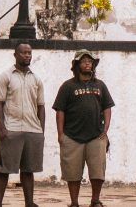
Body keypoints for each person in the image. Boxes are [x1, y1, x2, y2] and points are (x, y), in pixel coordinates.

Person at [53, 49, 114, 207]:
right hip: (72, 136)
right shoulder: (67, 86)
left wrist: (105, 130)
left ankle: (95, 201)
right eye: (83, 61)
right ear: (76, 65)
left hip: (96, 136)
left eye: (90, 61)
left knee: (97, 171)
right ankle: (74, 203)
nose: (87, 63)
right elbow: (60, 111)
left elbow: (107, 107)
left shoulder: (100, 85)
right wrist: (61, 135)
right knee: (72, 173)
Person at [0, 42, 45, 207]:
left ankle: (29, 203)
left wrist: (41, 130)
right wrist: (2, 129)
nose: (27, 56)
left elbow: (41, 106)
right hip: (12, 129)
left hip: (32, 130)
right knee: (4, 170)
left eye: (29, 53)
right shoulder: (5, 76)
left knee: (28, 170)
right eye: (24, 53)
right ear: (15, 55)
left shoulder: (36, 79)